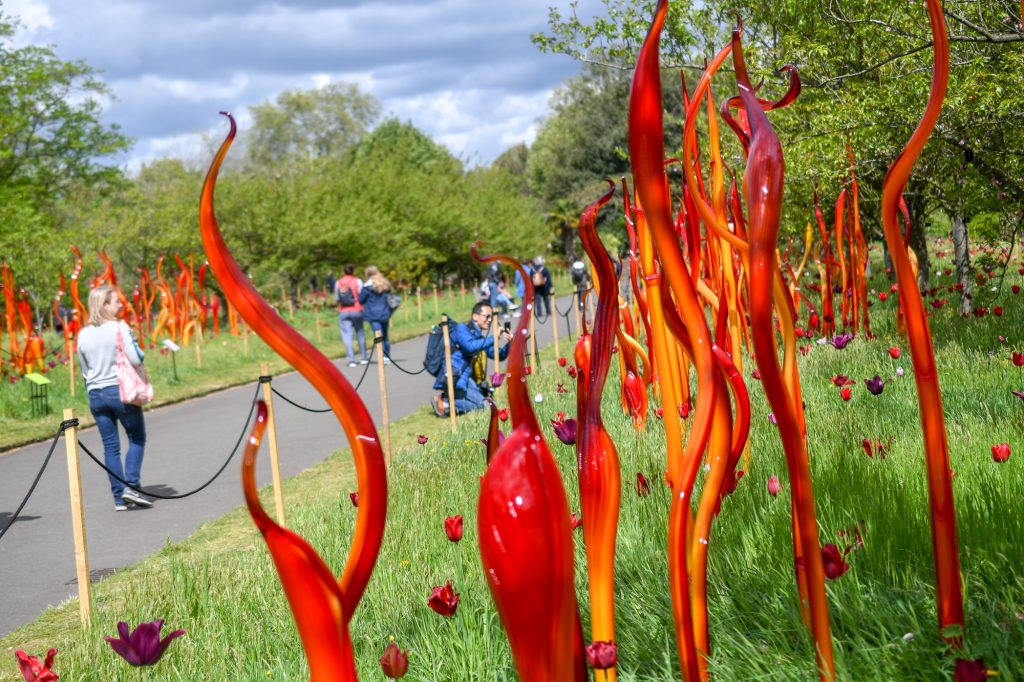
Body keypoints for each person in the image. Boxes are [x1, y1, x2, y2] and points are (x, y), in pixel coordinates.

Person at [76, 285, 152, 511]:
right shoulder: (119, 327)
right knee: (137, 437)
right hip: (120, 390)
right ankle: (132, 486)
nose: (120, 304)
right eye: (115, 301)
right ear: (104, 305)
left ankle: (119, 498)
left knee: (110, 446)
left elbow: (84, 368)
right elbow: (136, 358)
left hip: (96, 394)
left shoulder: (83, 333)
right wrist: (139, 348)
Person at [431, 302, 512, 416]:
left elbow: (500, 355)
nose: (489, 320)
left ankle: (446, 402)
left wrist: (511, 343)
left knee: (489, 405)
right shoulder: (461, 329)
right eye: (487, 316)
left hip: (465, 377)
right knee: (487, 407)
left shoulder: (479, 339)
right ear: (475, 316)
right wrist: (495, 337)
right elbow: (470, 347)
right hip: (454, 375)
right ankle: (444, 401)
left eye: (491, 317)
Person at [334, 264, 369, 367]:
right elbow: (362, 296)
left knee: (347, 336)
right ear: (353, 272)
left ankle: (351, 360)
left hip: (344, 311)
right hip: (357, 310)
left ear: (343, 272)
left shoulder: (338, 282)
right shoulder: (358, 281)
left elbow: (336, 298)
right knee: (360, 334)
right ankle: (364, 358)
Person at [358, 265, 394, 363]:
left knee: (378, 336)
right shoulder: (384, 284)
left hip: (373, 315)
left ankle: (382, 356)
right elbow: (390, 293)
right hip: (384, 312)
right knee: (385, 336)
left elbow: (360, 300)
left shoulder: (366, 286)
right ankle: (387, 357)